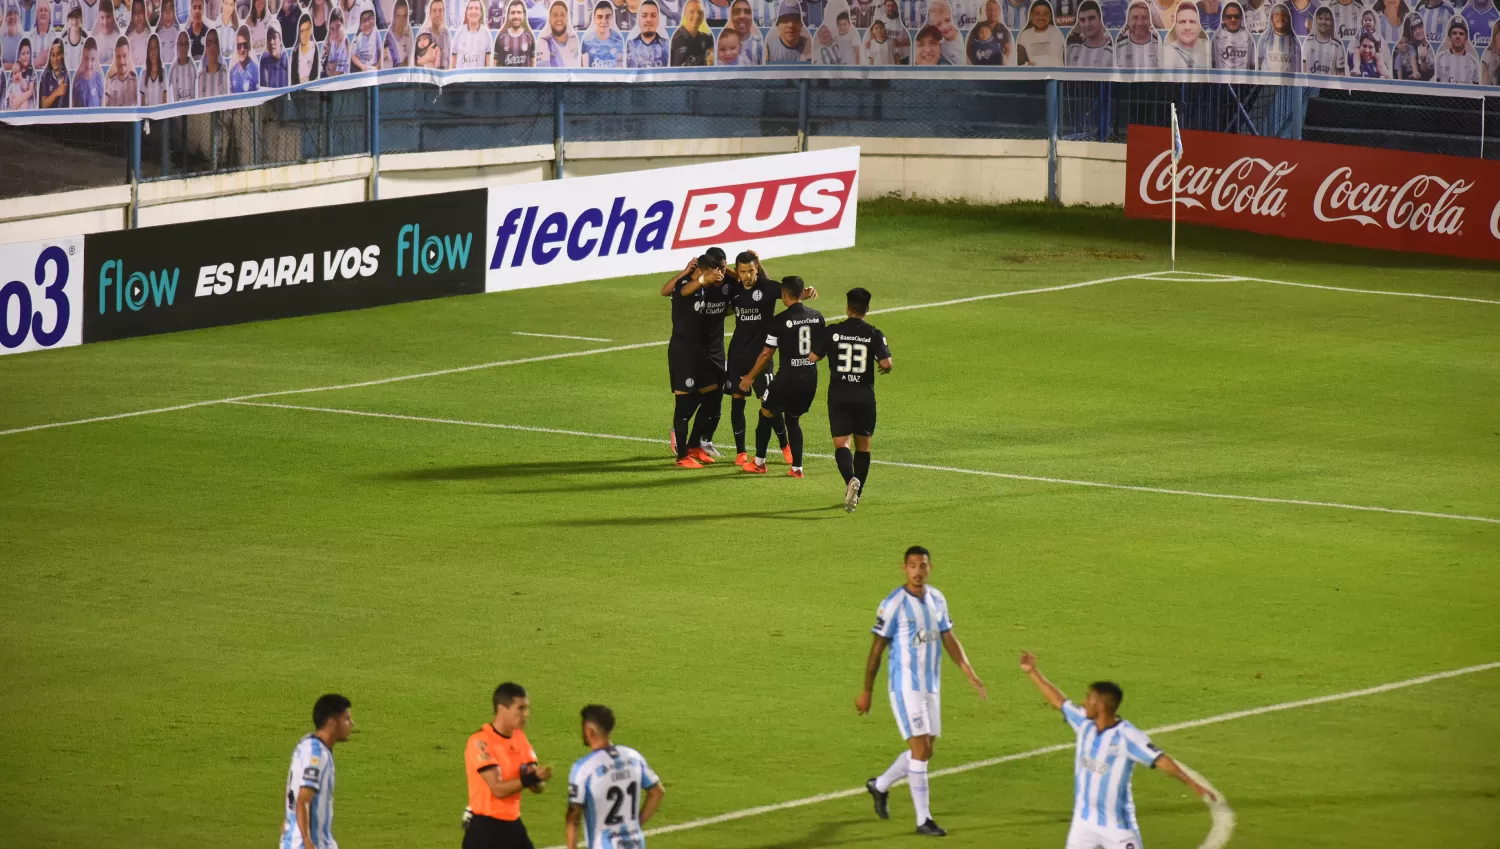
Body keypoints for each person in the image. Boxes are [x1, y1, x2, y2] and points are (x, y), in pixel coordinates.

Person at [1019, 653, 1215, 849]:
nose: (1084, 701)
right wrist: (1033, 672)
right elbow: (1058, 701)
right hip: (1083, 823)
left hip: (1117, 827)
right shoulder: (1083, 723)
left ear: (1101, 704)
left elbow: (1160, 760)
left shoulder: (1127, 736)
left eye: (1089, 697)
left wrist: (1190, 782)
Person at [858, 546, 987, 838]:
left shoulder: (937, 598)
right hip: (905, 687)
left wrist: (969, 672)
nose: (918, 571)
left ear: (930, 568)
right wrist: (866, 691)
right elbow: (876, 651)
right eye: (912, 565)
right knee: (919, 750)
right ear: (903, 568)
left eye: (923, 565)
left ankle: (879, 786)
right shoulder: (894, 604)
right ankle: (923, 819)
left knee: (926, 750)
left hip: (931, 686)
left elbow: (948, 636)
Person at [737, 274, 822, 477]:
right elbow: (821, 348)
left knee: (765, 412)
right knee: (793, 419)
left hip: (787, 380)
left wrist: (750, 377)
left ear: (784, 295)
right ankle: (797, 468)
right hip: (810, 379)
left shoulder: (779, 321)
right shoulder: (817, 316)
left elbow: (767, 353)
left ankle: (759, 462)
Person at [723, 251, 801, 468]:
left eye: (751, 270)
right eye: (742, 271)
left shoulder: (766, 287)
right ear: (737, 271)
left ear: (757, 268)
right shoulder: (735, 289)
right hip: (738, 354)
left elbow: (790, 294)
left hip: (761, 356)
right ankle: (741, 452)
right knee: (737, 401)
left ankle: (785, 445)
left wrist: (806, 292)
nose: (747, 275)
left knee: (770, 404)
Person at [820, 287, 892, 511]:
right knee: (863, 446)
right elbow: (886, 363)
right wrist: (883, 367)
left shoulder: (833, 331)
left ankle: (850, 480)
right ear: (867, 309)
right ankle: (857, 495)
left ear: (848, 307)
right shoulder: (873, 333)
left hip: (839, 395)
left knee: (842, 444)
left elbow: (813, 356)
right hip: (864, 396)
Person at [464, 683, 553, 849]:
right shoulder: (480, 742)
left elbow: (536, 786)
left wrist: (538, 780)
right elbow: (497, 789)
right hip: (485, 830)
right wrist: (532, 778)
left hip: (512, 825)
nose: (526, 714)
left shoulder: (519, 738)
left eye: (527, 708)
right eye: (520, 708)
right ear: (502, 708)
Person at [564, 706, 666, 849]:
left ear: (589, 730)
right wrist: (636, 824)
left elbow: (573, 819)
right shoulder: (633, 757)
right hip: (636, 843)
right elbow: (657, 792)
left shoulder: (584, 768)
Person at [280, 694, 354, 849]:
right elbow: (303, 801)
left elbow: (292, 792)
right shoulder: (317, 755)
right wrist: (307, 842)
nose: (351, 724)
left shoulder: (306, 744)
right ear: (333, 723)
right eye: (347, 719)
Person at [1064, 0, 1110, 64]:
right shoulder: (1071, 51)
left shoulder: (1115, 51)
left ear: (1101, 19)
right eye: (1082, 20)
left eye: (1091, 18)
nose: (1087, 24)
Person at [1435, 15, 1479, 81]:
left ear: (1466, 38)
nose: (1458, 36)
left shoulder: (1473, 61)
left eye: (1461, 34)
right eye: (1454, 33)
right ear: (1450, 36)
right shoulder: (1439, 58)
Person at [1301, 4, 1345, 72]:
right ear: (1316, 20)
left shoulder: (1338, 46)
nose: (1323, 22)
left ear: (1331, 22)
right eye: (1320, 18)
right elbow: (1303, 70)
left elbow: (1340, 74)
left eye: (1327, 19)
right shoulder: (1307, 42)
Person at [1113, 0, 1158, 66]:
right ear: (1128, 21)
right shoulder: (1116, 47)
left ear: (1150, 21)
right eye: (1135, 18)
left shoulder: (1161, 46)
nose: (1140, 23)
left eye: (1145, 18)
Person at [1391, 10, 1433, 77]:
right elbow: (1399, 72)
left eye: (1420, 27)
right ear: (1396, 45)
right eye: (1414, 29)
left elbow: (1413, 61)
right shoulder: (1419, 47)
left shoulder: (1412, 48)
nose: (1417, 31)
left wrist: (1415, 72)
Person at [1257, 2, 1297, 70]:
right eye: (1277, 14)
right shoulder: (1263, 40)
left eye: (1284, 14)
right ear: (1271, 18)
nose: (1281, 17)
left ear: (1289, 18)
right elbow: (1257, 64)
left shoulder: (1296, 42)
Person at [1211, 0, 1252, 66]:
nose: (1233, 19)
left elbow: (1252, 64)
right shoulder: (1216, 36)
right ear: (1223, 18)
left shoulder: (1248, 37)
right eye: (1229, 17)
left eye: (1236, 16)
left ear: (1241, 17)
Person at [69, 33, 101, 101]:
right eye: (86, 59)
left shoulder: (99, 80)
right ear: (81, 58)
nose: (89, 64)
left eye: (92, 59)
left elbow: (102, 103)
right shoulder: (77, 83)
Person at [5, 36, 34, 106]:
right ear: (19, 55)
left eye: (28, 53)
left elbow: (29, 90)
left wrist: (18, 101)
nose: (26, 56)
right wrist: (10, 98)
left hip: (25, 101)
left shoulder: (31, 70)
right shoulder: (15, 67)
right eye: (23, 54)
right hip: (13, 97)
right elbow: (9, 86)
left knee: (25, 104)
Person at [289, 11, 319, 78]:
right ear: (298, 33)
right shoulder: (294, 53)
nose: (305, 35)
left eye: (307, 29)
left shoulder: (316, 50)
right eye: (302, 31)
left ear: (311, 30)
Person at [37, 35, 67, 103]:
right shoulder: (46, 77)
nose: (55, 59)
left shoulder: (67, 75)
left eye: (58, 54)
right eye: (53, 55)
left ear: (62, 55)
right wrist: (57, 92)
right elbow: (44, 105)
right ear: (49, 57)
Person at [197, 24, 227, 89]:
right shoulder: (200, 77)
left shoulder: (226, 74)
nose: (213, 46)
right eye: (209, 43)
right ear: (205, 49)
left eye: (216, 43)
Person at [139, 30, 166, 100]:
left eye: (155, 48)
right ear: (148, 51)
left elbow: (165, 101)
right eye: (151, 48)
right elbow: (143, 103)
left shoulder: (163, 73)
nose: (153, 51)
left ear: (159, 50)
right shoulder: (144, 75)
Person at [167, 26, 193, 95]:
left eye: (185, 43)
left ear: (189, 46)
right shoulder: (173, 69)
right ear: (177, 46)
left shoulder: (193, 68)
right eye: (181, 44)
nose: (183, 47)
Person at [61, 4, 83, 68]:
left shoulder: (86, 38)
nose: (74, 21)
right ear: (68, 19)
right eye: (71, 17)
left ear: (81, 18)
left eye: (77, 17)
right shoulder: (62, 38)